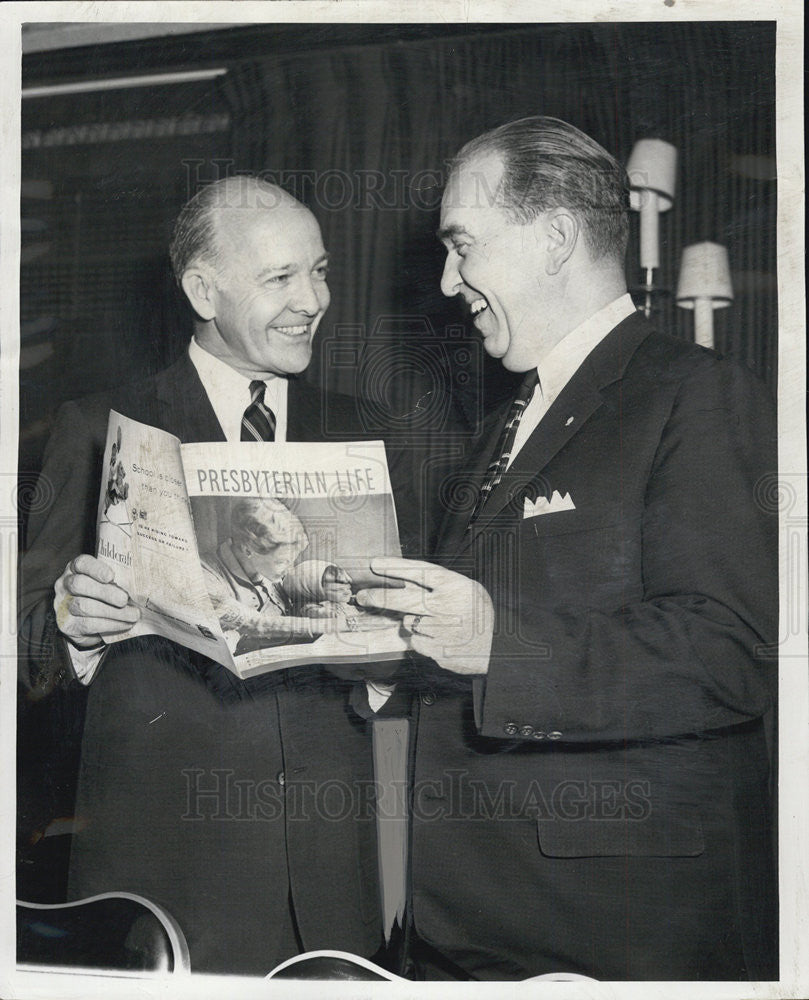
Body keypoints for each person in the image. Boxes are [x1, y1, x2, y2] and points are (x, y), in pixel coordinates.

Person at [356, 117, 778, 980]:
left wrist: (493, 641)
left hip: (610, 935)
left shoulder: (693, 394)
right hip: (465, 924)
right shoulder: (498, 431)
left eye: (462, 246)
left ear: (553, 238)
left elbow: (727, 651)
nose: (447, 283)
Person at [18, 176, 386, 975]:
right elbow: (26, 649)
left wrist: (391, 653)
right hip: (164, 879)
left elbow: (409, 651)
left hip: (333, 882)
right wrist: (71, 624)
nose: (312, 299)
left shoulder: (362, 430)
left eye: (319, 270)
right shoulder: (97, 427)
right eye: (280, 278)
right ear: (202, 289)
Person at [199, 498, 323, 653]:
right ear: (247, 550)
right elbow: (256, 624)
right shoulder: (204, 576)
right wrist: (333, 625)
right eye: (281, 562)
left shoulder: (266, 569)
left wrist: (313, 610)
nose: (290, 570)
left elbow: (290, 605)